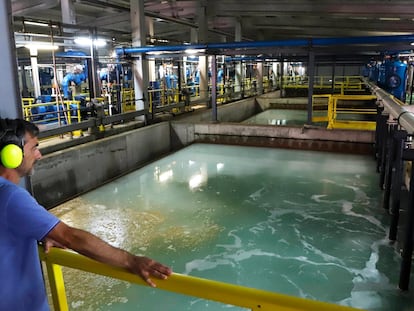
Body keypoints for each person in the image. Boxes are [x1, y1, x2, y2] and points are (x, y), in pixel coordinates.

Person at [0, 118, 172, 311]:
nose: (39, 155)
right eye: (34, 148)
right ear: (11, 155)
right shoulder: (11, 197)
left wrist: (41, 232)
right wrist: (131, 261)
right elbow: (71, 237)